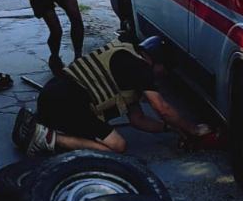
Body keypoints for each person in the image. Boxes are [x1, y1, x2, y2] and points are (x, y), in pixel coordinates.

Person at [13, 36, 214, 156]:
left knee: (100, 134)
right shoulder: (141, 69)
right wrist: (193, 129)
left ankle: (49, 126)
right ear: (158, 63)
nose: (161, 77)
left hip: (56, 96)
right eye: (164, 71)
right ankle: (49, 137)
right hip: (66, 103)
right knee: (116, 147)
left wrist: (171, 128)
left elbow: (138, 120)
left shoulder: (127, 55)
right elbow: (162, 108)